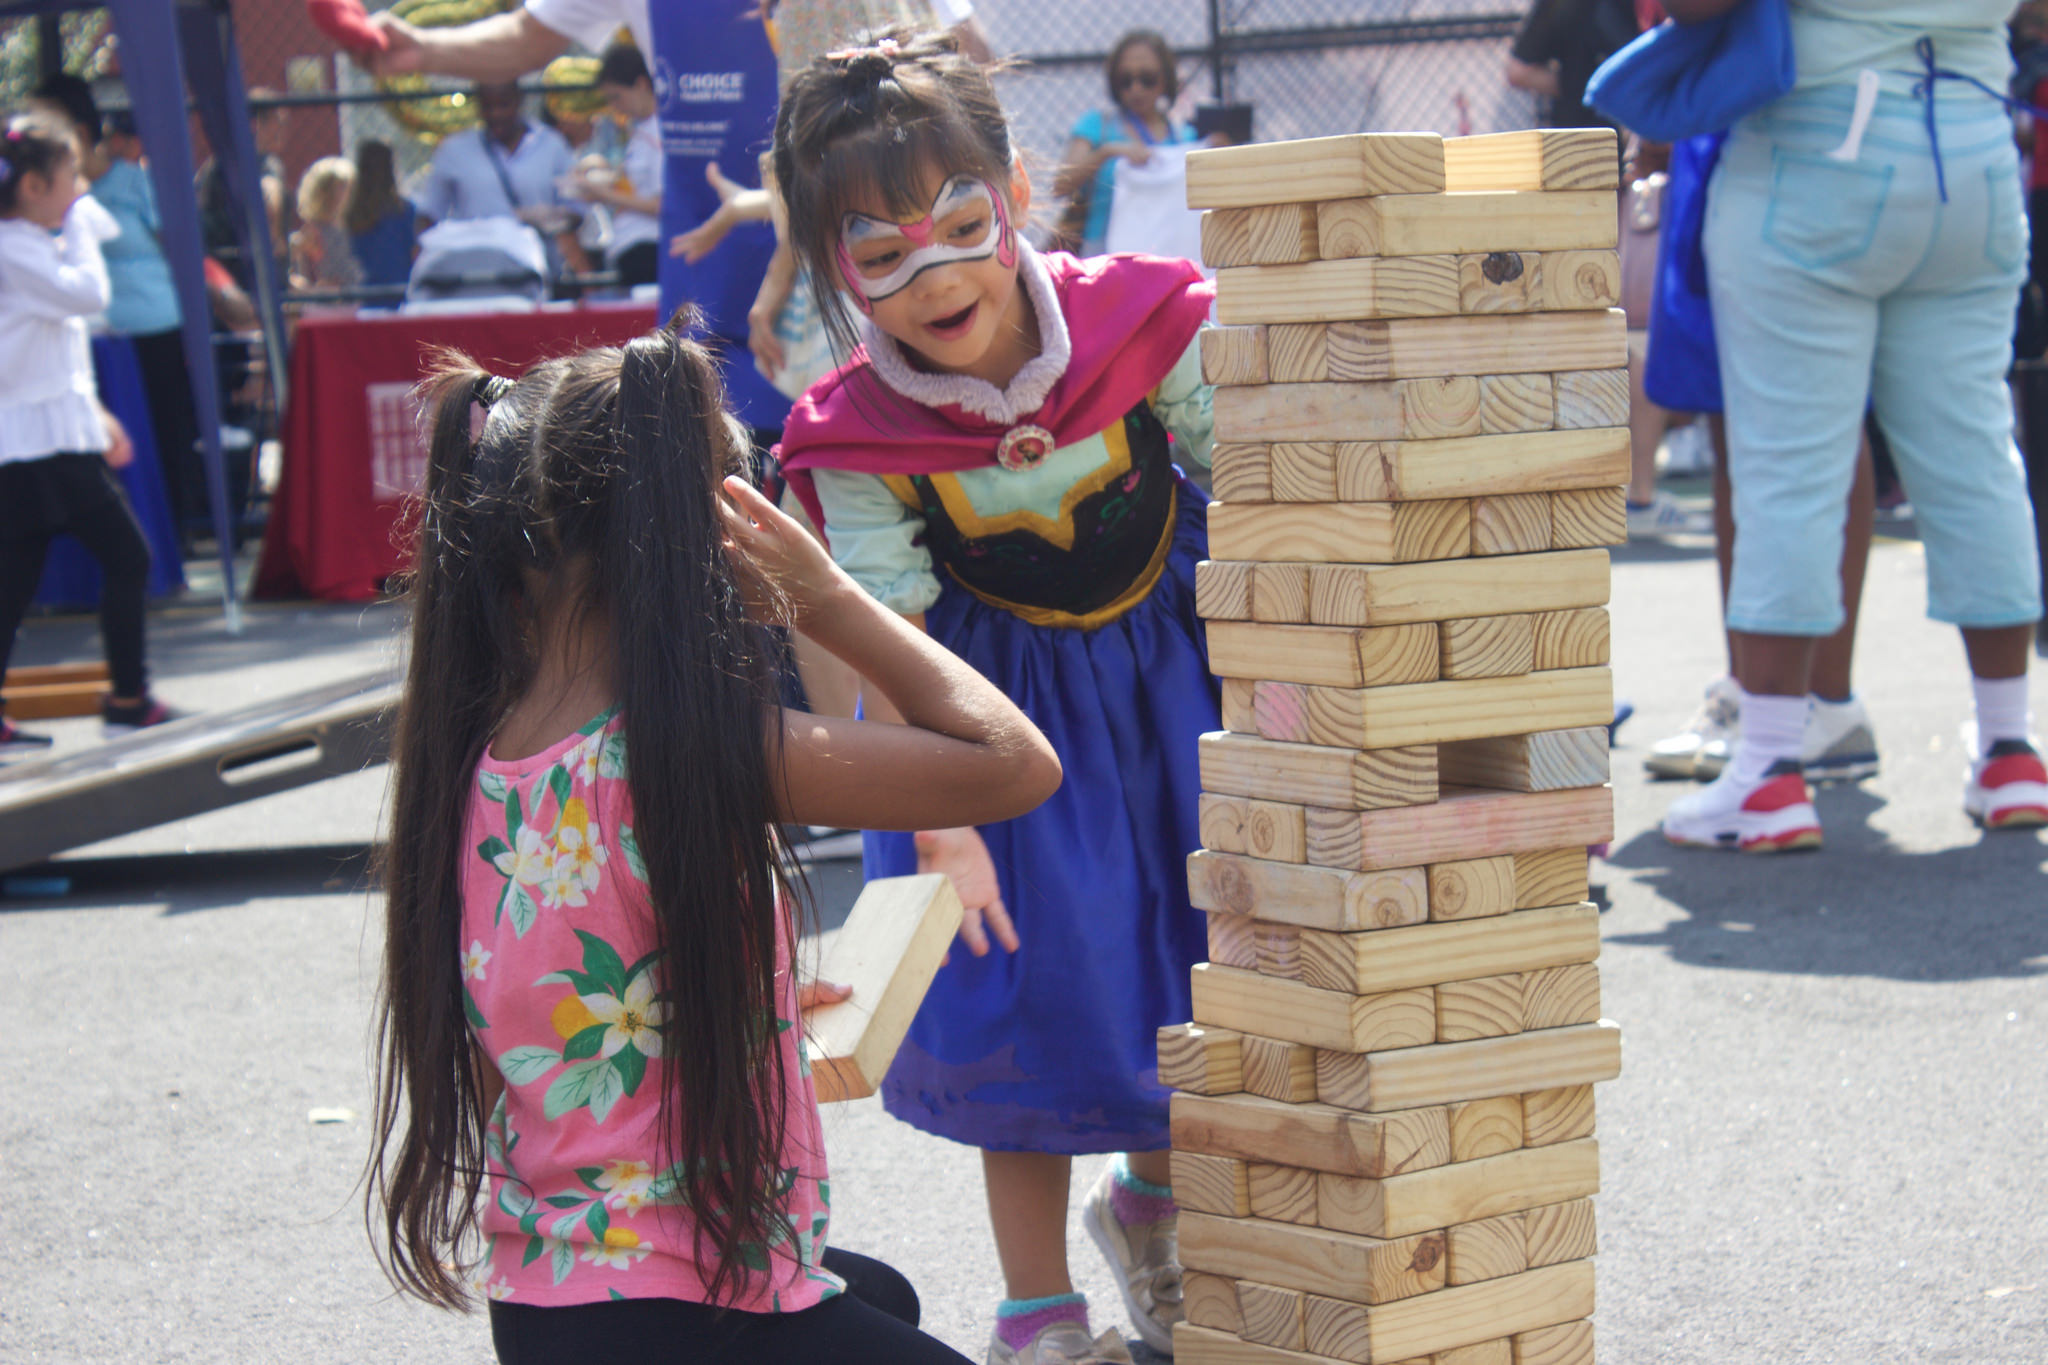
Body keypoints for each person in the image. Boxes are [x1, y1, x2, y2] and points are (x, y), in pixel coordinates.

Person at [366, 325, 1060, 1362]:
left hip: (552, 1304)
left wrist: (747, 991)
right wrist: (824, 599)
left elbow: (561, 1003)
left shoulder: (469, 762)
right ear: (712, 535)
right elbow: (1012, 763)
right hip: (695, 1308)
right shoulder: (693, 748)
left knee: (883, 1295)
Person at [773, 33, 1218, 1365]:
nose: (937, 274)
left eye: (961, 225)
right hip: (987, 737)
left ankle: (1153, 1207)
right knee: (1035, 1003)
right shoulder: (849, 433)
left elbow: (1265, 482)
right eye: (881, 251)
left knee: (1197, 967)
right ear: (828, 262)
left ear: (1017, 188)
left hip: (1173, 701)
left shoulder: (1150, 319)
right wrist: (947, 824)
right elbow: (879, 623)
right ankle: (1039, 1318)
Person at [1660, 0, 2046, 848]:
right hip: (1974, 154)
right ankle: (2011, 748)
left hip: (1815, 159)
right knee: (1977, 456)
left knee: (1789, 473)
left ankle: (1766, 768)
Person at [0, 115, 173, 754]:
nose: (79, 188)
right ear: (36, 185)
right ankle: (129, 698)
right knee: (126, 556)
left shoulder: (28, 244)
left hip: (47, 440)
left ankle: (130, 697)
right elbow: (89, 295)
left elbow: (57, 349)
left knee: (15, 583)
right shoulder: (17, 246)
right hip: (33, 448)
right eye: (71, 176)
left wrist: (96, 418)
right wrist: (80, 229)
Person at [1053, 29, 1198, 258]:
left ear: (1165, 80)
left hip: (1168, 255)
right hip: (1104, 258)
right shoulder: (1096, 126)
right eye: (1125, 80)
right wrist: (1106, 153)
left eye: (1147, 79)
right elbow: (1059, 185)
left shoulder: (1185, 137)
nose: (1136, 89)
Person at [413, 81, 576, 253]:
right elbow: (430, 215)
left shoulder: (552, 145)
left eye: (503, 105)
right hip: (475, 268)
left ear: (520, 100)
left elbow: (576, 212)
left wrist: (548, 218)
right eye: (487, 106)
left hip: (537, 267)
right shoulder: (454, 150)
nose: (495, 114)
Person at [578, 40, 662, 289]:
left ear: (641, 84)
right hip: (634, 248)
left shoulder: (658, 132)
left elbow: (663, 205)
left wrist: (604, 193)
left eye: (617, 97)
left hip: (648, 249)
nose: (615, 107)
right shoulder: (643, 129)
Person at [344, 139, 417, 289]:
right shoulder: (403, 210)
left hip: (369, 293)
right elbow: (415, 253)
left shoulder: (353, 213)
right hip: (403, 291)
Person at [290, 155, 363, 292]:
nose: (348, 192)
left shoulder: (350, 225)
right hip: (330, 303)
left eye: (349, 186)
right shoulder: (313, 231)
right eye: (341, 186)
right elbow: (297, 273)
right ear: (324, 192)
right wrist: (314, 289)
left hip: (356, 298)